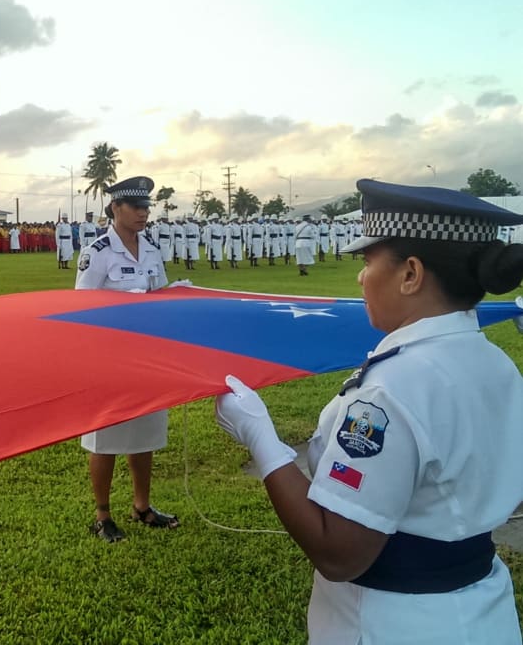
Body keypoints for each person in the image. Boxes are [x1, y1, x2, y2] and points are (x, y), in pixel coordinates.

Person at [213, 178, 523, 643]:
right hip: (481, 607)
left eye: (367, 260)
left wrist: (262, 440)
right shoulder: (494, 361)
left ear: (411, 274)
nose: (360, 277)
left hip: (393, 622)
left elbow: (339, 552)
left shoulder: (390, 389)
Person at [75, 175, 179, 542]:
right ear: (115, 208)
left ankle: (142, 505)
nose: (143, 214)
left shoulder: (150, 248)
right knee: (105, 437)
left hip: (148, 356)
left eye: (146, 207)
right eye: (135, 207)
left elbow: (161, 294)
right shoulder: (98, 251)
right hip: (110, 357)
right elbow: (82, 305)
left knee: (145, 432)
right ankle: (102, 514)